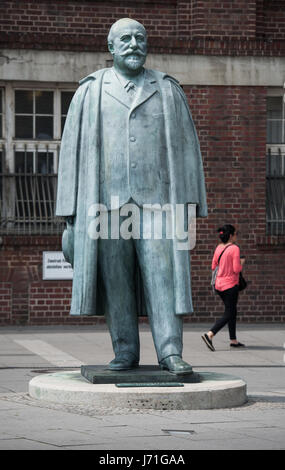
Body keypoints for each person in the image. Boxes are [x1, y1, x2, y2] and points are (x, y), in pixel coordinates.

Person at [56, 18, 208, 374]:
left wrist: (192, 207)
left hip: (158, 206)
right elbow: (71, 153)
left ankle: (170, 351)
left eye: (140, 38)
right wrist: (69, 213)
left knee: (164, 278)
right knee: (116, 282)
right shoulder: (91, 91)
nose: (134, 45)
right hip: (105, 206)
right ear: (110, 48)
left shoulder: (168, 89)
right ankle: (125, 350)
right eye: (125, 39)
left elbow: (187, 149)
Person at [202, 224, 245, 351]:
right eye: (236, 234)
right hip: (230, 285)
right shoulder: (234, 249)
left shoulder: (218, 248)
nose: (236, 236)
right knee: (229, 312)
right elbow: (236, 269)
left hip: (219, 285)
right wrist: (242, 263)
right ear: (231, 235)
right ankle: (210, 334)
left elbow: (213, 266)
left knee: (232, 310)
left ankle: (233, 340)